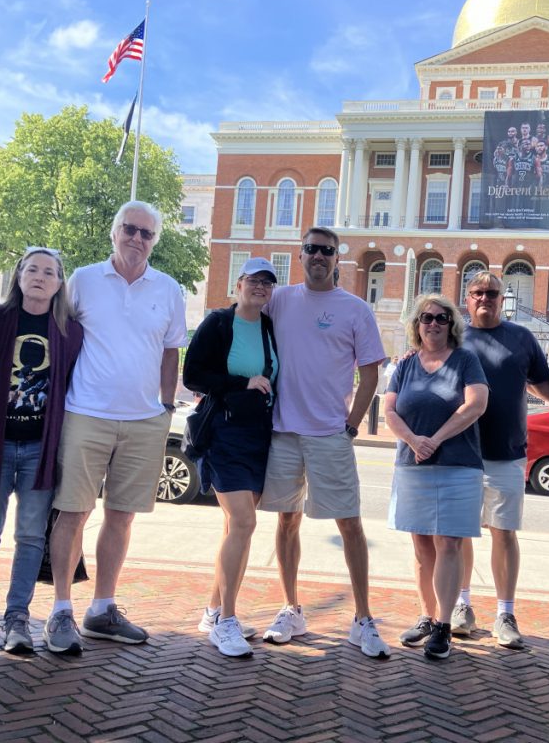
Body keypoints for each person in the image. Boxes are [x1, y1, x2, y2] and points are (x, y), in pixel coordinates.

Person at [43, 200, 187, 655]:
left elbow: (171, 351)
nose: (137, 239)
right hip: (86, 412)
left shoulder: (168, 289)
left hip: (145, 419)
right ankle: (61, 609)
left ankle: (102, 608)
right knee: (73, 512)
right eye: (130, 229)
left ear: (155, 241)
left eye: (146, 234)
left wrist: (165, 406)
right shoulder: (84, 279)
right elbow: (58, 337)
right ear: (114, 232)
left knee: (121, 517)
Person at [259, 227, 391, 659]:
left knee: (350, 523)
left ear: (338, 259)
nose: (319, 256)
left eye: (327, 251)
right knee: (286, 521)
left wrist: (351, 426)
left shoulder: (354, 309)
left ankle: (362, 618)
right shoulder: (279, 301)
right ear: (301, 255)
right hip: (282, 431)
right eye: (312, 249)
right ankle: (291, 608)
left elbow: (370, 371)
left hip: (330, 433)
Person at [0, 247, 83, 654]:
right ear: (18, 276)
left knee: (31, 536)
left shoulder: (70, 329)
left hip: (39, 448)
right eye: (31, 269)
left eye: (49, 272)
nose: (39, 276)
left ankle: (18, 619)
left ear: (59, 282)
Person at [448, 272, 549, 649]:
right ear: (467, 298)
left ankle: (505, 612)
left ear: (502, 299)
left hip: (507, 453)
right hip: (461, 452)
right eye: (478, 293)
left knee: (504, 533)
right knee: (460, 531)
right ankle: (461, 605)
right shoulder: (454, 335)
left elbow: (545, 385)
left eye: (492, 293)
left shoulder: (522, 337)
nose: (485, 298)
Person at [183, 258, 279, 658]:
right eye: (254, 281)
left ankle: (214, 610)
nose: (260, 287)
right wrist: (243, 382)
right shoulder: (218, 323)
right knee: (243, 521)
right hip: (224, 433)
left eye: (267, 283)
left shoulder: (270, 325)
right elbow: (193, 376)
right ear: (238, 284)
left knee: (233, 528)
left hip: (259, 434)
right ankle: (227, 622)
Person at [386, 295, 488, 660]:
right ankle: (427, 616)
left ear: (452, 324)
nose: (433, 323)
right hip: (412, 465)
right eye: (426, 318)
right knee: (421, 545)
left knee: (449, 543)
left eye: (441, 318)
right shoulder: (406, 365)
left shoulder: (465, 360)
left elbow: (476, 404)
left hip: (458, 465)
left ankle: (444, 624)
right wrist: (414, 441)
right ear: (417, 324)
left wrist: (435, 439)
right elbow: (390, 411)